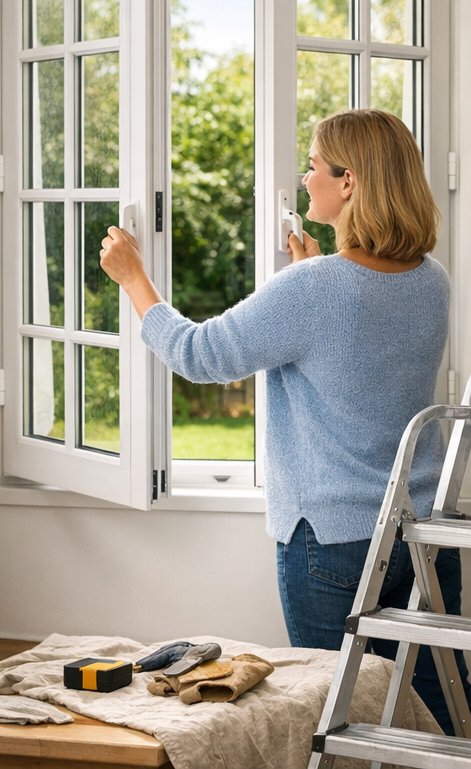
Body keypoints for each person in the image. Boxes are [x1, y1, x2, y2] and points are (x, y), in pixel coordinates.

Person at [99, 107, 470, 733]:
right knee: (434, 718)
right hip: (425, 534)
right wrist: (308, 272)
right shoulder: (432, 280)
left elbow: (201, 354)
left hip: (333, 543)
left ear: (349, 182)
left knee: (334, 719)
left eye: (314, 165)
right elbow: (358, 353)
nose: (304, 179)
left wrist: (135, 280)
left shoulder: (316, 289)